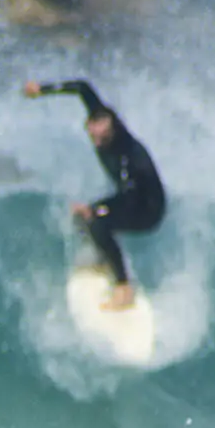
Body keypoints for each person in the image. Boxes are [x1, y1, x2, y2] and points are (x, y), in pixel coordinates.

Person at [24, 79, 166, 310]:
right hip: (129, 196)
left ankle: (124, 288)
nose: (97, 143)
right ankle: (104, 257)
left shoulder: (127, 156)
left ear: (113, 129)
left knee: (98, 222)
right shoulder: (101, 116)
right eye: (93, 136)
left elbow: (129, 196)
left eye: (102, 138)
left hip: (148, 209)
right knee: (84, 218)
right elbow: (82, 87)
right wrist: (41, 90)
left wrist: (98, 208)